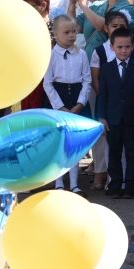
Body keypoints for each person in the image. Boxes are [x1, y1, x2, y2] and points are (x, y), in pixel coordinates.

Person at [43, 15, 91, 195]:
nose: (72, 35)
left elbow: (86, 80)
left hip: (76, 98)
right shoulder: (50, 56)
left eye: (74, 31)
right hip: (58, 99)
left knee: (74, 142)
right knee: (58, 142)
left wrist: (80, 103)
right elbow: (47, 83)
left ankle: (74, 183)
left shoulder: (82, 54)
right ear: (55, 34)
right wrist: (59, 106)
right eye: (67, 32)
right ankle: (58, 182)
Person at [95, 27, 134, 199]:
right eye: (120, 47)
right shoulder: (106, 68)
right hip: (113, 118)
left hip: (132, 119)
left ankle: (130, 187)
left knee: (132, 153)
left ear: (133, 47)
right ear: (112, 47)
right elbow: (102, 94)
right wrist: (102, 117)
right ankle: (115, 185)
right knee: (114, 153)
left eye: (127, 47)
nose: (124, 50)